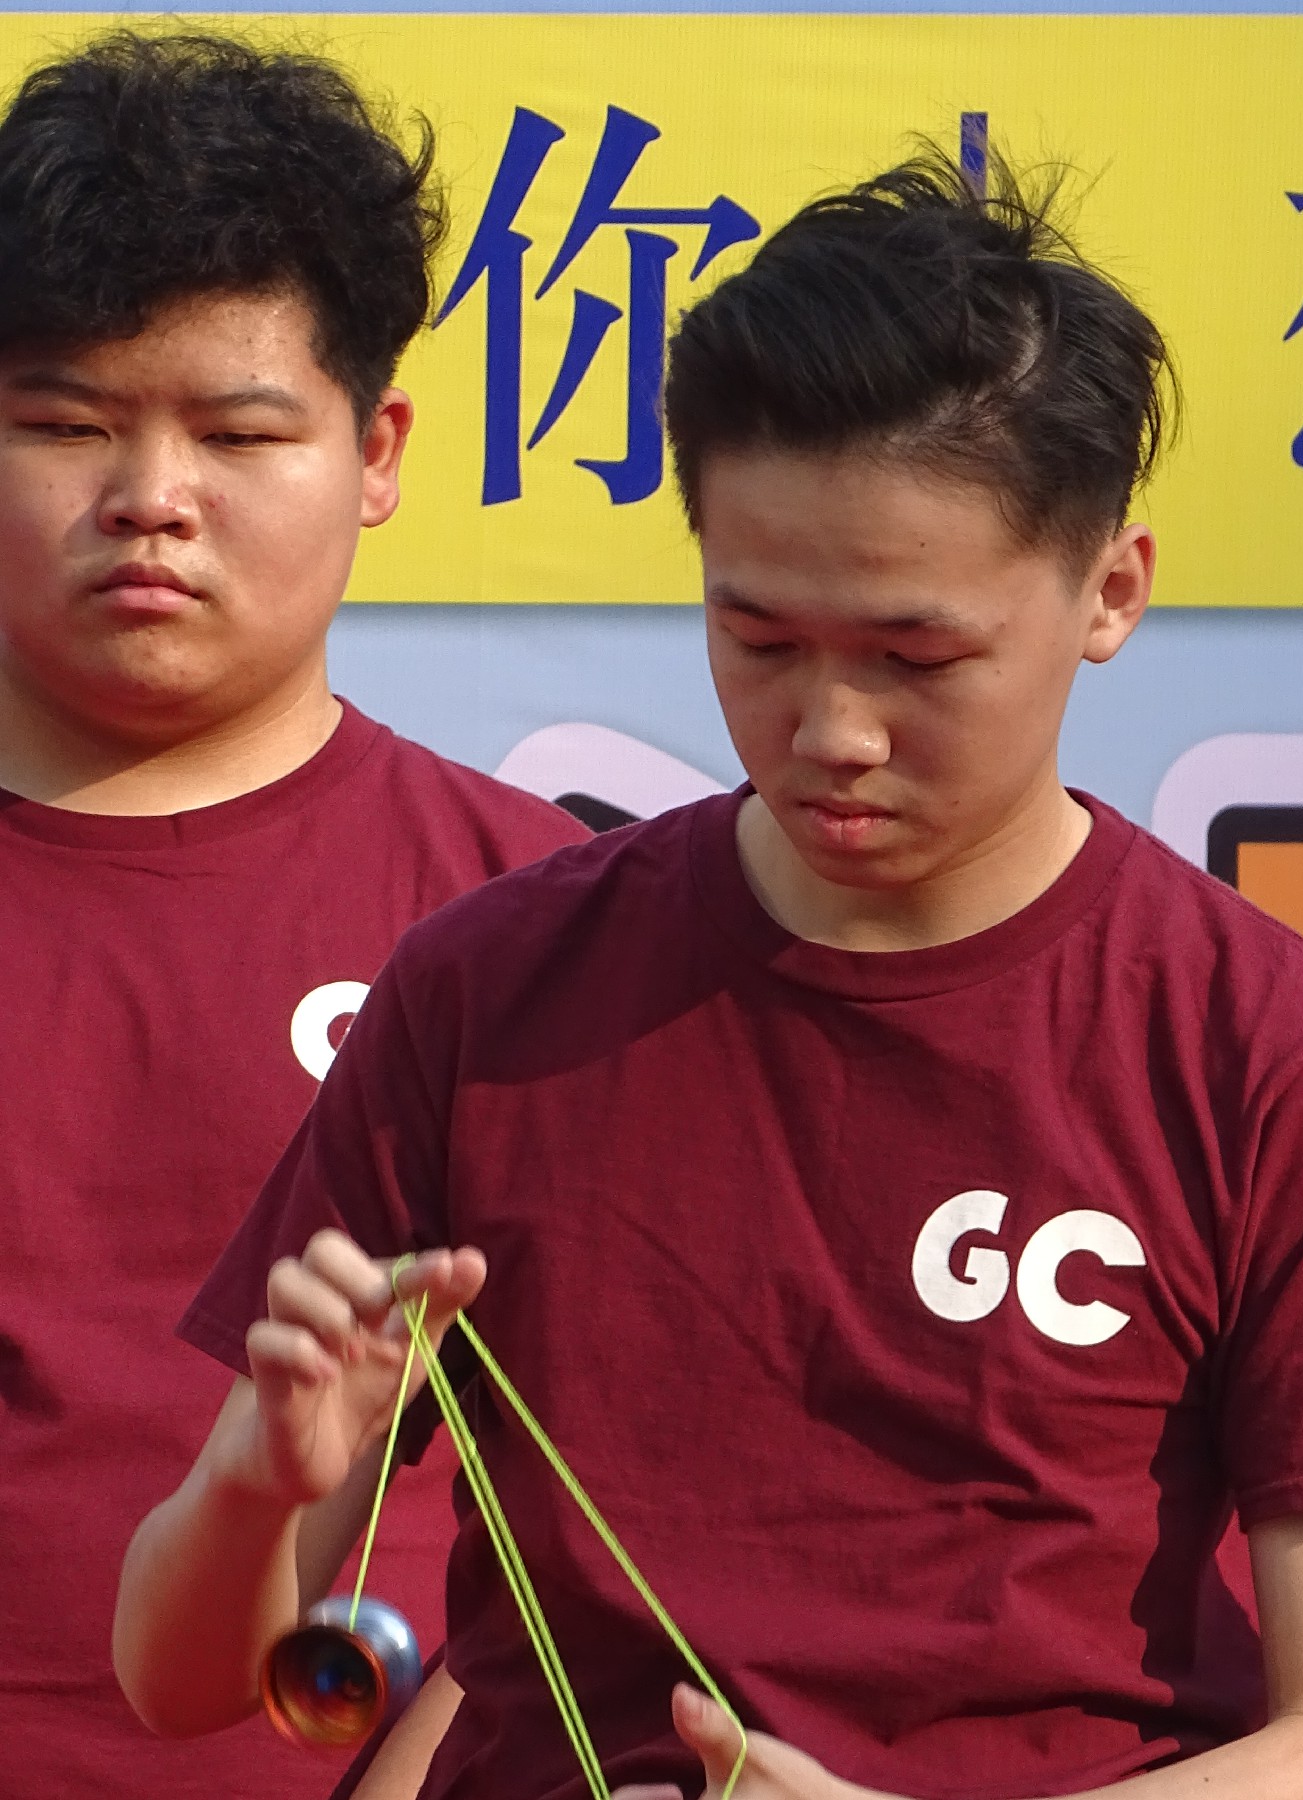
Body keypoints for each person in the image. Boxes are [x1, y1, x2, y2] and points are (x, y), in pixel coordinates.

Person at [116, 147, 1303, 1800]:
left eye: (916, 656)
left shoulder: (1260, 1046)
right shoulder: (494, 993)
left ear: (1107, 591)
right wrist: (262, 1483)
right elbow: (180, 1680)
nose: (832, 730)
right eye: (759, 638)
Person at [0, 29, 588, 1800]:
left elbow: (643, 1496)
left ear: (376, 448)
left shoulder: (547, 926)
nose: (150, 500)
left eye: (239, 432)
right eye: (63, 426)